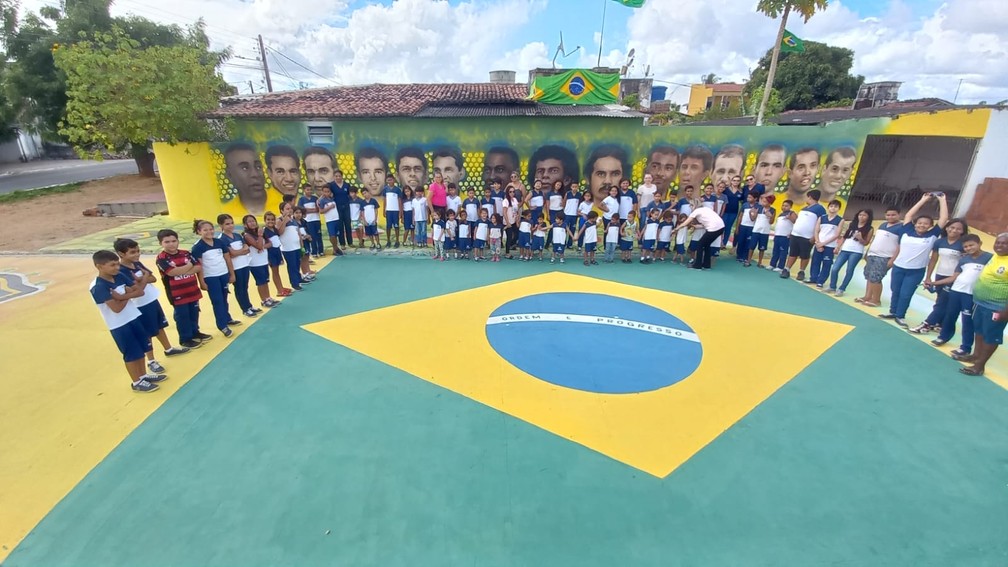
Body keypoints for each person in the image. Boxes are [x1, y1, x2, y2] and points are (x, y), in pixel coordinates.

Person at [90, 250, 165, 392]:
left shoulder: (119, 275)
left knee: (141, 350)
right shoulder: (98, 287)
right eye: (112, 265)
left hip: (133, 316)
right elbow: (116, 309)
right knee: (131, 353)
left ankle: (143, 376)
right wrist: (128, 294)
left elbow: (139, 291)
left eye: (117, 264)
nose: (117, 268)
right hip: (119, 325)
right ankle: (136, 382)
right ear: (99, 266)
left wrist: (121, 296)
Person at [114, 238, 191, 376]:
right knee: (147, 333)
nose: (137, 254)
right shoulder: (121, 271)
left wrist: (142, 278)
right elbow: (136, 288)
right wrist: (143, 278)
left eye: (138, 251)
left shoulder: (136, 263)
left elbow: (152, 278)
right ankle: (151, 361)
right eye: (132, 252)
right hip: (140, 305)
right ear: (121, 254)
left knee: (159, 327)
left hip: (151, 300)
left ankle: (168, 348)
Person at [879, 193, 950, 328]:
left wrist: (942, 200)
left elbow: (944, 218)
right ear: (915, 224)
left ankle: (900, 315)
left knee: (906, 294)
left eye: (926, 224)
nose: (922, 225)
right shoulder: (906, 230)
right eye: (920, 223)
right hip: (899, 267)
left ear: (930, 226)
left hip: (916, 271)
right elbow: (908, 216)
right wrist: (923, 200)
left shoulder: (932, 235)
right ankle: (893, 312)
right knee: (896, 290)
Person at [954, 233, 1008, 376]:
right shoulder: (995, 256)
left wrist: (1006, 310)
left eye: (1004, 243)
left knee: (991, 336)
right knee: (979, 331)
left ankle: (979, 366)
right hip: (980, 302)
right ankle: (975, 356)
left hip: (998, 307)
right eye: (998, 243)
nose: (999, 246)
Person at [930, 234, 988, 353]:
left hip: (970, 294)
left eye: (971, 245)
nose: (968, 248)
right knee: (950, 316)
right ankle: (943, 337)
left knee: (967, 321)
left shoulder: (989, 258)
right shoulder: (964, 259)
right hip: (955, 292)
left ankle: (965, 347)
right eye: (965, 247)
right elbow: (954, 277)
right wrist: (935, 282)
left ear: (980, 243)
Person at [155, 229, 211, 349]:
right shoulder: (162, 258)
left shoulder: (186, 253)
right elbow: (172, 272)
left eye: (174, 241)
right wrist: (189, 265)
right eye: (167, 242)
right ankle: (185, 339)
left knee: (194, 313)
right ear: (161, 243)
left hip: (192, 290)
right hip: (177, 293)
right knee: (182, 316)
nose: (171, 244)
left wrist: (184, 269)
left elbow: (198, 267)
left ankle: (195, 332)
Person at [911, 218, 968, 334]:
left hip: (954, 278)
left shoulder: (963, 245)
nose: (954, 230)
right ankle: (940, 323)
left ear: (962, 231)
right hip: (940, 275)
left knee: (942, 302)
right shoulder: (939, 242)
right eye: (952, 227)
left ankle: (927, 324)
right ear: (946, 228)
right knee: (940, 299)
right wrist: (928, 277)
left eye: (958, 229)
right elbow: (933, 259)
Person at [191, 219, 238, 337]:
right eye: (205, 230)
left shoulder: (219, 242)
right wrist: (202, 282)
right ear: (199, 231)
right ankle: (222, 325)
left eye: (211, 229)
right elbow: (199, 266)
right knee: (217, 301)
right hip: (211, 277)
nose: (209, 232)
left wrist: (231, 274)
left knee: (224, 298)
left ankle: (227, 318)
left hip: (223, 274)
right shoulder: (198, 247)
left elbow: (227, 259)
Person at [855, 207, 903, 307]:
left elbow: (900, 245)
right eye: (888, 215)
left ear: (899, 215)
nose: (890, 217)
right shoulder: (882, 225)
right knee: (869, 276)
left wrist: (893, 259)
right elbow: (875, 240)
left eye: (893, 215)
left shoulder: (901, 228)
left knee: (876, 278)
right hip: (873, 254)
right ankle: (867, 296)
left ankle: (876, 300)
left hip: (884, 256)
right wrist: (868, 252)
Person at [780, 189, 826, 281]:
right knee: (792, 253)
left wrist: (814, 237)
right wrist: (792, 232)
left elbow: (822, 224)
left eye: (807, 197)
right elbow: (799, 222)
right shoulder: (803, 209)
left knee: (805, 255)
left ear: (810, 197)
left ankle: (801, 271)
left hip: (807, 237)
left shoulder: (820, 209)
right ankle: (787, 269)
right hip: (795, 234)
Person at [217, 213, 257, 318]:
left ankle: (249, 306)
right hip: (235, 267)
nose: (230, 226)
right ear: (221, 226)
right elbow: (231, 254)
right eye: (227, 224)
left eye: (232, 223)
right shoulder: (222, 239)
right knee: (240, 288)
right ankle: (245, 309)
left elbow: (246, 249)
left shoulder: (238, 235)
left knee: (245, 286)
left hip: (244, 265)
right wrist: (240, 251)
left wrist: (238, 252)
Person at [827, 209, 873, 296]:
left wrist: (860, 238)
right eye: (860, 215)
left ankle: (842, 288)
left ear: (868, 217)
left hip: (856, 251)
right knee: (835, 268)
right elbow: (844, 237)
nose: (861, 217)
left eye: (864, 215)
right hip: (845, 249)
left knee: (849, 270)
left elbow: (866, 242)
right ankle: (832, 286)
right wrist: (838, 247)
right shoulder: (852, 224)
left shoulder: (869, 229)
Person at [241, 215, 279, 309]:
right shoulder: (247, 235)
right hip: (255, 263)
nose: (252, 223)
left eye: (253, 221)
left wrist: (263, 246)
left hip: (263, 261)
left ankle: (268, 297)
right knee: (261, 282)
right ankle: (264, 300)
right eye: (249, 222)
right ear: (245, 225)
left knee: (266, 280)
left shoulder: (259, 232)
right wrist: (260, 236)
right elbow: (258, 246)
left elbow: (270, 243)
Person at [317, 149, 352, 249]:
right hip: (337, 208)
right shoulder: (331, 185)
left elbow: (351, 195)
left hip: (346, 206)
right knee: (340, 226)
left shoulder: (346, 185)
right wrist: (319, 199)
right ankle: (342, 244)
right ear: (334, 177)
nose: (338, 177)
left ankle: (350, 242)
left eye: (339, 176)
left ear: (342, 176)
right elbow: (325, 192)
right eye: (336, 176)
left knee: (348, 224)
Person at [672, 206, 726, 270]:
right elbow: (703, 225)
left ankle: (697, 265)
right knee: (707, 245)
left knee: (699, 245)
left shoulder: (696, 211)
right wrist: (693, 225)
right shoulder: (706, 209)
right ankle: (706, 265)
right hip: (721, 227)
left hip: (713, 229)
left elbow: (684, 223)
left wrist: (675, 229)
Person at [223, 143, 269, 215]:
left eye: (258, 167)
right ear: (230, 175)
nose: (255, 174)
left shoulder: (284, 202)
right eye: (245, 168)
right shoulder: (227, 212)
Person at [808, 199, 843, 287]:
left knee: (826, 264)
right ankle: (813, 278)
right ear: (828, 207)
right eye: (831, 206)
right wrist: (817, 242)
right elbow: (816, 231)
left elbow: (836, 235)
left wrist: (823, 244)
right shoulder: (822, 217)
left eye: (835, 207)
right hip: (818, 243)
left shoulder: (840, 220)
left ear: (838, 209)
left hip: (830, 246)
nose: (833, 208)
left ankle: (821, 281)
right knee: (815, 261)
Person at [262, 212, 291, 297]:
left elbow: (279, 232)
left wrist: (284, 219)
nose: (270, 221)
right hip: (271, 254)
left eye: (272, 219)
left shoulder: (274, 229)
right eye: (268, 220)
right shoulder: (264, 231)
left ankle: (281, 287)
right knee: (275, 272)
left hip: (277, 251)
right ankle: (279, 290)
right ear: (264, 220)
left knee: (277, 272)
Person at [768, 199, 795, 272]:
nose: (784, 207)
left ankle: (781, 266)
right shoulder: (780, 214)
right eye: (783, 205)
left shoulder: (792, 213)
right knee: (775, 251)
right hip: (777, 235)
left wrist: (790, 218)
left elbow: (796, 222)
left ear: (790, 206)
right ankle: (772, 264)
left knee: (783, 252)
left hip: (785, 236)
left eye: (786, 206)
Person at [749, 193, 775, 268]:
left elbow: (771, 222)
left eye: (765, 202)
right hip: (756, 230)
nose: (763, 203)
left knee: (762, 248)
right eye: (762, 201)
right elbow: (753, 219)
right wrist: (751, 213)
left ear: (769, 203)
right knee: (752, 246)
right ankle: (748, 261)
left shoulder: (773, 210)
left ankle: (760, 262)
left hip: (765, 232)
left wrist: (770, 217)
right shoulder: (759, 208)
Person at [297, 184, 323, 257]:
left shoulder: (315, 198)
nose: (309, 191)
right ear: (304, 190)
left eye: (310, 189)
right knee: (312, 236)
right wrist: (312, 210)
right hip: (308, 221)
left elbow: (318, 209)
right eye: (307, 190)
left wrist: (310, 210)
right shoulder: (301, 199)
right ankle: (314, 252)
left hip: (316, 220)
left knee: (319, 235)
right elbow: (302, 210)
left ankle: (321, 251)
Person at [318, 185, 344, 257]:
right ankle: (335, 248)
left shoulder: (332, 198)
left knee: (336, 235)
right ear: (322, 192)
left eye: (328, 191)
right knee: (332, 235)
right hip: (330, 220)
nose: (326, 193)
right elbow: (321, 211)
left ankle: (335, 249)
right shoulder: (322, 201)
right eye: (325, 192)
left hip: (336, 219)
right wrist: (329, 207)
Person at [734, 191, 758, 264]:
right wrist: (737, 227)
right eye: (748, 197)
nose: (748, 199)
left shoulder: (758, 206)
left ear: (755, 198)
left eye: (750, 197)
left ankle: (745, 257)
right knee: (740, 241)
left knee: (748, 242)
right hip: (743, 226)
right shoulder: (744, 205)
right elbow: (740, 216)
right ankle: (739, 256)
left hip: (751, 227)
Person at [721, 175, 745, 247]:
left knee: (728, 228)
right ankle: (718, 242)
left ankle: (724, 244)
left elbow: (742, 201)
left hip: (733, 212)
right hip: (724, 211)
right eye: (734, 180)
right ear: (731, 181)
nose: (736, 182)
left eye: (738, 181)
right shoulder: (726, 190)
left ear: (740, 182)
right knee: (722, 227)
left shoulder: (740, 191)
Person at [382, 175, 404, 248]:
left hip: (396, 211)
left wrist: (400, 212)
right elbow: (384, 200)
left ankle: (397, 241)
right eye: (388, 180)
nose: (390, 181)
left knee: (396, 226)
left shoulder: (397, 190)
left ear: (394, 180)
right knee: (388, 226)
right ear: (386, 181)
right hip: (388, 211)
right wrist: (384, 210)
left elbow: (400, 201)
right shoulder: (385, 189)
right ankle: (388, 241)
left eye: (391, 180)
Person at [503, 186, 521, 258]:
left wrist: (517, 221)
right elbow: (504, 212)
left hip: (514, 221)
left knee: (517, 235)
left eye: (513, 191)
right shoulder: (505, 201)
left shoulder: (515, 200)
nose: (512, 193)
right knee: (509, 237)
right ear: (507, 192)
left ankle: (510, 245)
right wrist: (507, 223)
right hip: (508, 222)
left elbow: (516, 211)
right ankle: (507, 253)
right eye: (510, 192)